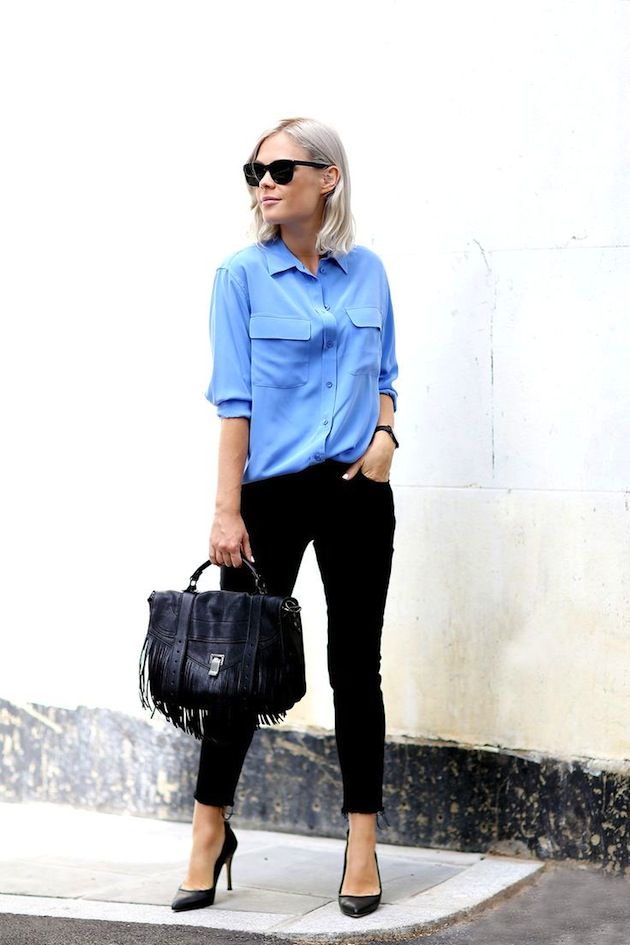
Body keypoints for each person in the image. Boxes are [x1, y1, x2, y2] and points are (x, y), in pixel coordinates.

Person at [171, 117, 399, 919]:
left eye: (279, 169)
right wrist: (225, 511)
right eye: (254, 171)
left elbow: (387, 373)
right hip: (267, 496)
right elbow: (233, 402)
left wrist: (385, 437)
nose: (263, 183)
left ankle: (362, 843)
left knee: (356, 669)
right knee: (236, 671)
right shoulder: (240, 276)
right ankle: (208, 831)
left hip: (357, 492)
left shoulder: (368, 272)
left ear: (327, 177)